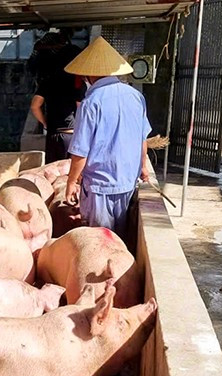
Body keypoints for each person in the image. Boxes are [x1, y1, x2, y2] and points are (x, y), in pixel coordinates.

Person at [63, 37, 151, 236]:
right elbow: (142, 138)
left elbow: (80, 151)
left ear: (88, 75)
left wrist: (71, 183)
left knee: (99, 242)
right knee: (122, 240)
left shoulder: (90, 102)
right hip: (128, 181)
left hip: (99, 187)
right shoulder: (136, 96)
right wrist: (143, 167)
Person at [28, 30, 86, 162]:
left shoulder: (48, 81)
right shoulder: (77, 82)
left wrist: (45, 123)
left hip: (53, 135)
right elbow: (81, 108)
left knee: (52, 177)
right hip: (71, 136)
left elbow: (35, 106)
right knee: (69, 177)